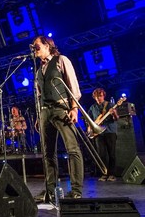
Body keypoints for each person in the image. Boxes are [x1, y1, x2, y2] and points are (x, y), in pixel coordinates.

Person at [33, 35, 84, 202]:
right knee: (48, 153)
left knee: (72, 149)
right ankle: (50, 190)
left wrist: (74, 108)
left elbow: (72, 84)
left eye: (37, 46)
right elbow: (39, 94)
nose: (35, 49)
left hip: (62, 109)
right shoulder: (38, 70)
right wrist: (38, 115)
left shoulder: (61, 60)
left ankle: (76, 190)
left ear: (48, 46)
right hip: (45, 112)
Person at [87, 88, 119, 182]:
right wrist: (90, 127)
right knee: (101, 155)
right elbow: (89, 120)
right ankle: (104, 174)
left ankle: (112, 174)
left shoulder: (110, 105)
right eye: (97, 97)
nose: (98, 98)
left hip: (110, 131)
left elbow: (116, 118)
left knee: (111, 154)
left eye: (100, 96)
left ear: (103, 96)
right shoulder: (92, 107)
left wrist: (114, 114)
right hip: (98, 133)